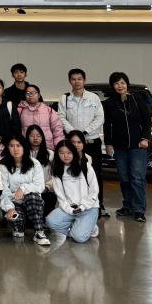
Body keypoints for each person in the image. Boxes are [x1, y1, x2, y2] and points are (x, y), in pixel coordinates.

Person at [103, 71, 152, 222]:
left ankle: (139, 210)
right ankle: (127, 206)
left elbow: (147, 121)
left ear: (127, 84)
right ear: (112, 86)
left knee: (137, 178)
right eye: (116, 83)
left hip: (138, 146)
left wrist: (145, 138)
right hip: (119, 147)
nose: (120, 86)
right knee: (124, 178)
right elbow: (107, 125)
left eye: (122, 83)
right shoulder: (109, 103)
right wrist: (108, 143)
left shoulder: (137, 99)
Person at [58, 68, 108, 216]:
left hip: (91, 141)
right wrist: (74, 134)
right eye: (73, 79)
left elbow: (100, 117)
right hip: (72, 145)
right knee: (74, 174)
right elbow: (61, 117)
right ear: (70, 81)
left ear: (84, 80)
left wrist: (84, 132)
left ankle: (98, 205)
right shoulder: (65, 98)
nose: (77, 82)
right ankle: (75, 205)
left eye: (79, 79)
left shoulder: (93, 98)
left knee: (95, 174)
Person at [0, 136, 50, 246]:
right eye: (12, 146)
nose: (15, 149)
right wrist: (10, 208)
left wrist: (23, 188)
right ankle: (19, 226)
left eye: (18, 146)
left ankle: (39, 232)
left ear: (24, 147)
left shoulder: (34, 163)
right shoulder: (2, 165)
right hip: (13, 202)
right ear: (8, 147)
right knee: (18, 230)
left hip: (32, 203)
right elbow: (3, 191)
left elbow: (40, 186)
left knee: (32, 196)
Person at [46, 140, 100, 242]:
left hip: (89, 207)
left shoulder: (84, 166)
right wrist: (70, 209)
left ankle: (91, 227)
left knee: (79, 238)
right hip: (70, 207)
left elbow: (94, 191)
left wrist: (83, 207)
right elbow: (60, 196)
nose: (65, 156)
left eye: (69, 152)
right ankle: (79, 226)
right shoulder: (56, 170)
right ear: (57, 154)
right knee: (50, 222)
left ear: (74, 153)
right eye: (61, 153)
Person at [26, 124, 57, 214]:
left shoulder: (50, 154)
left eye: (38, 136)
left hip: (46, 191)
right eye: (32, 136)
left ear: (42, 137)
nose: (35, 138)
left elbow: (55, 176)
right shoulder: (24, 154)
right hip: (28, 192)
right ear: (27, 137)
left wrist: (47, 187)